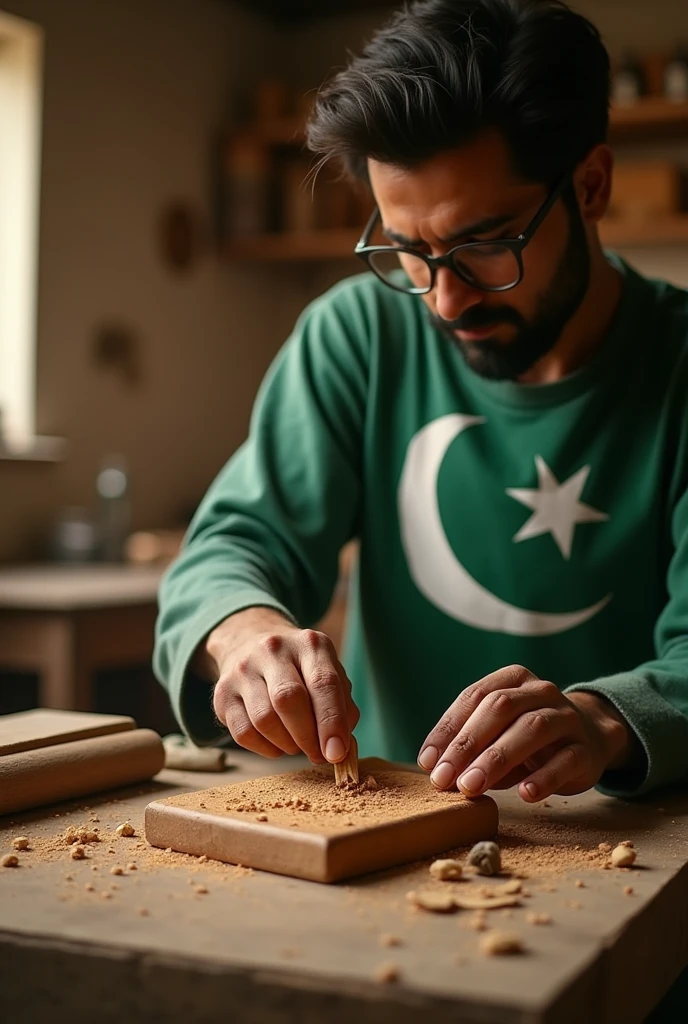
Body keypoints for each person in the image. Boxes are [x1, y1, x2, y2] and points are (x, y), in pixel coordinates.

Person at [154, 0, 688, 806]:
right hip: (386, 826)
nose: (443, 299)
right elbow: (232, 546)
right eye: (408, 250)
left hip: (627, 847)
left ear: (590, 186)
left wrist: (603, 721)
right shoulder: (358, 334)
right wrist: (242, 633)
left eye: (483, 244)